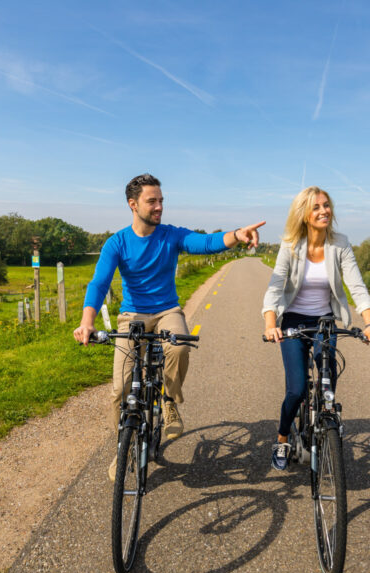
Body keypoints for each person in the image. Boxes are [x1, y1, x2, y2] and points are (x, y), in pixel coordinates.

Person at [74, 173, 265, 480]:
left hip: (167, 311)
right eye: (152, 201)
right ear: (133, 204)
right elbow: (99, 283)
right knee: (120, 389)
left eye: (161, 200)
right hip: (132, 316)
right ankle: (123, 448)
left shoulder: (171, 235)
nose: (159, 206)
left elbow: (205, 242)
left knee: (179, 345)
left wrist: (236, 235)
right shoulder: (117, 242)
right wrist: (87, 322)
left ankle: (169, 399)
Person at [262, 186, 370, 471]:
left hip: (324, 323)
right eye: (317, 207)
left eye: (327, 205)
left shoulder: (339, 244)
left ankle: (326, 419)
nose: (324, 211)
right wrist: (271, 323)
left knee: (328, 376)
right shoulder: (291, 245)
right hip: (293, 321)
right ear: (304, 214)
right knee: (295, 390)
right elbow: (275, 286)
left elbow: (356, 285)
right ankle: (282, 438)